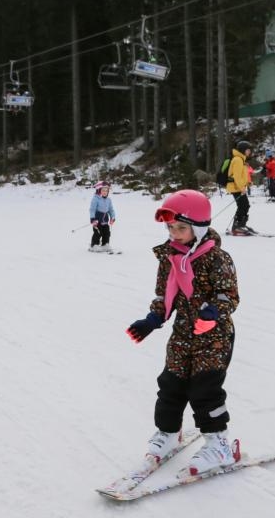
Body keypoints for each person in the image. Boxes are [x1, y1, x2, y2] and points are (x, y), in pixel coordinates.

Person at [125, 189, 241, 475]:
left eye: (181, 228)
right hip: (182, 334)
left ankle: (219, 444)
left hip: (213, 336)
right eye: (170, 228)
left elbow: (229, 295)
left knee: (205, 388)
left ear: (199, 228)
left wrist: (213, 312)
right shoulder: (170, 257)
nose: (174, 233)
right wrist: (153, 319)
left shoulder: (217, 258)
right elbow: (164, 295)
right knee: (170, 384)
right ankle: (168, 434)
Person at [225, 140, 255, 235]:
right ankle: (238, 226)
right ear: (242, 150)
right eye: (248, 150)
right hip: (236, 187)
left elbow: (242, 175)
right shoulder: (238, 160)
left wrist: (248, 182)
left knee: (243, 205)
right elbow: (237, 176)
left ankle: (239, 225)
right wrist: (242, 188)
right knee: (244, 205)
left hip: (238, 187)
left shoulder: (241, 159)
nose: (249, 151)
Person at [88, 181, 116, 252]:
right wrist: (92, 219)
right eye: (103, 190)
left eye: (106, 191)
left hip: (105, 220)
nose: (105, 192)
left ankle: (105, 244)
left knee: (107, 232)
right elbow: (92, 209)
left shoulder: (108, 200)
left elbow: (111, 210)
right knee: (98, 232)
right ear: (99, 190)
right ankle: (94, 245)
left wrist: (112, 217)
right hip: (97, 220)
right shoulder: (96, 199)